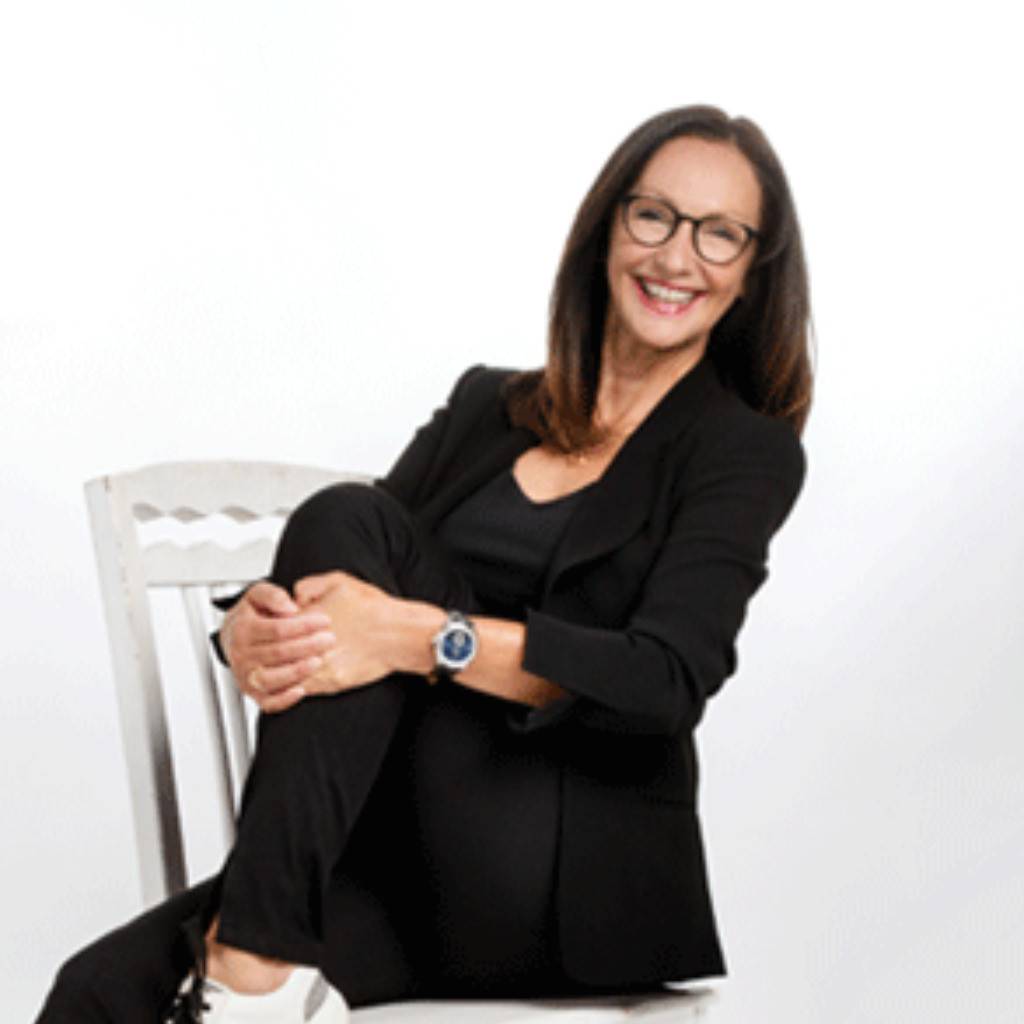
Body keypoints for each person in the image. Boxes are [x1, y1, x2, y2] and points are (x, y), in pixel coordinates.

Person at [36, 103, 812, 1024]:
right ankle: (257, 971)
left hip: (550, 877)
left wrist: (425, 638)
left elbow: (665, 681)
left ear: (752, 273)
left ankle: (255, 961)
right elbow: (354, 562)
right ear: (608, 227)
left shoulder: (743, 452)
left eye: (720, 234)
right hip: (390, 865)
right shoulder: (488, 404)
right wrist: (242, 628)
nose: (677, 256)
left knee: (351, 515)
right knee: (99, 993)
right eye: (654, 215)